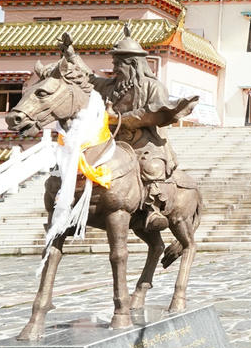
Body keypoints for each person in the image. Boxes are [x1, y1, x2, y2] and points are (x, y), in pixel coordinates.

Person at [65, 25, 196, 215]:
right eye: (115, 63)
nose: (115, 68)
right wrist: (72, 56)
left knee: (151, 168)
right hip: (114, 144)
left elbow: (154, 114)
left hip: (146, 143)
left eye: (119, 63)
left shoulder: (153, 87)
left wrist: (117, 118)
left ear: (134, 64)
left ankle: (154, 208)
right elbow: (89, 79)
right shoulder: (110, 86)